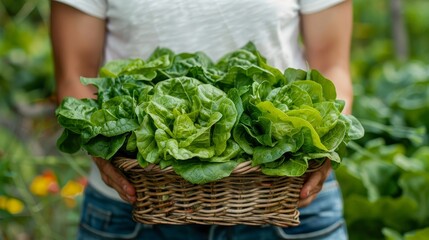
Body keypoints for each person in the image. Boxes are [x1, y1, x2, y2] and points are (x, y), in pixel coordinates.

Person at [50, 0, 353, 239]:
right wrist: (103, 150)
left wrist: (326, 145)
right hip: (135, 207)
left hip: (287, 202)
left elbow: (332, 66)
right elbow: (73, 76)